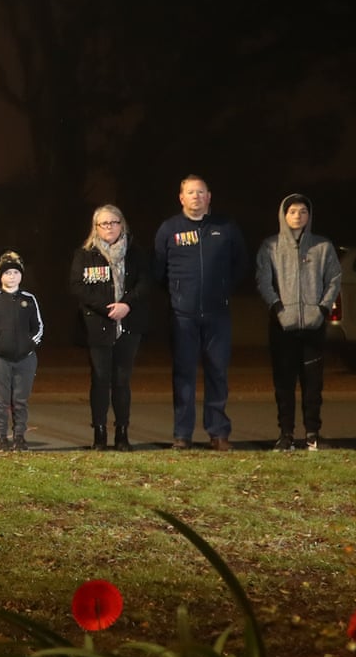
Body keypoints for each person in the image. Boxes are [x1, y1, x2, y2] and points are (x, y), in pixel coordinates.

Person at [152, 174, 249, 451]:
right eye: (190, 192)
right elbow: (158, 270)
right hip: (184, 316)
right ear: (181, 198)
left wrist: (222, 289)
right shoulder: (169, 229)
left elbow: (240, 264)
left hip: (218, 315)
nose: (196, 197)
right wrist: (179, 295)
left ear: (209, 196)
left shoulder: (226, 227)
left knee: (218, 373)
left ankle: (218, 433)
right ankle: (182, 435)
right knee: (184, 375)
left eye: (201, 192)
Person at [254, 194, 341, 451]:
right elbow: (262, 280)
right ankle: (286, 434)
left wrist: (323, 308)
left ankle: (312, 432)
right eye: (292, 211)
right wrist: (278, 308)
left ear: (309, 216)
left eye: (303, 211)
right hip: (282, 326)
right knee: (284, 382)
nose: (298, 216)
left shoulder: (322, 246)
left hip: (313, 326)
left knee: (313, 383)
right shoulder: (270, 246)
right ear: (284, 214)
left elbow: (334, 278)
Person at [69, 205, 150, 452]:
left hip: (128, 324)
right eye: (103, 223)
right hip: (98, 325)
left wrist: (126, 304)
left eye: (114, 222)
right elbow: (77, 286)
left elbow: (145, 282)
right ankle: (100, 433)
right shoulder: (85, 254)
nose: (109, 227)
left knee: (122, 380)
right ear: (95, 228)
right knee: (101, 379)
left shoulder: (135, 253)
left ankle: (122, 433)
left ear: (122, 224)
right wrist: (107, 308)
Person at [0, 250, 44, 453]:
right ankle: (1, 438)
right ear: (0, 276)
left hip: (26, 359)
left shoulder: (29, 299)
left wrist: (29, 345)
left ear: (21, 275)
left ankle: (20, 438)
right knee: (1, 401)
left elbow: (38, 326)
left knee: (21, 401)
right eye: (7, 273)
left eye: (15, 272)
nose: (11, 276)